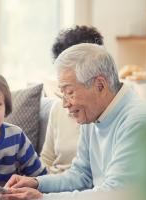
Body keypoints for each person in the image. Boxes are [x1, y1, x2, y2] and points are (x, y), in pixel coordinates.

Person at [0, 43, 146, 200]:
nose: (65, 103)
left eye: (70, 92)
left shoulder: (136, 122)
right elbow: (81, 176)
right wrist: (36, 183)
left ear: (100, 85)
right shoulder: (94, 116)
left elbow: (112, 196)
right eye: (63, 94)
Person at [40, 25, 104, 174]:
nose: (65, 102)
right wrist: (37, 184)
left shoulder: (108, 116)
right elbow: (46, 160)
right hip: (53, 187)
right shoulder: (58, 109)